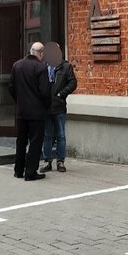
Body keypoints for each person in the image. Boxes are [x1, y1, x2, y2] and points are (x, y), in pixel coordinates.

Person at [8, 41, 50, 181]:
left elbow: (11, 87)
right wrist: (46, 106)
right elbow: (45, 92)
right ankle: (30, 172)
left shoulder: (17, 65)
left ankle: (18, 170)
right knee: (35, 142)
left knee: (21, 141)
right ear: (41, 54)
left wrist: (19, 100)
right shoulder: (41, 67)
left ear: (31, 51)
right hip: (37, 112)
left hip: (21, 111)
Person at [41, 42, 77, 173]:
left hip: (59, 106)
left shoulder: (65, 66)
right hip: (46, 107)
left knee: (61, 135)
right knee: (47, 136)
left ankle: (60, 161)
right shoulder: (43, 66)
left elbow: (73, 83)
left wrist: (61, 94)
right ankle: (47, 161)